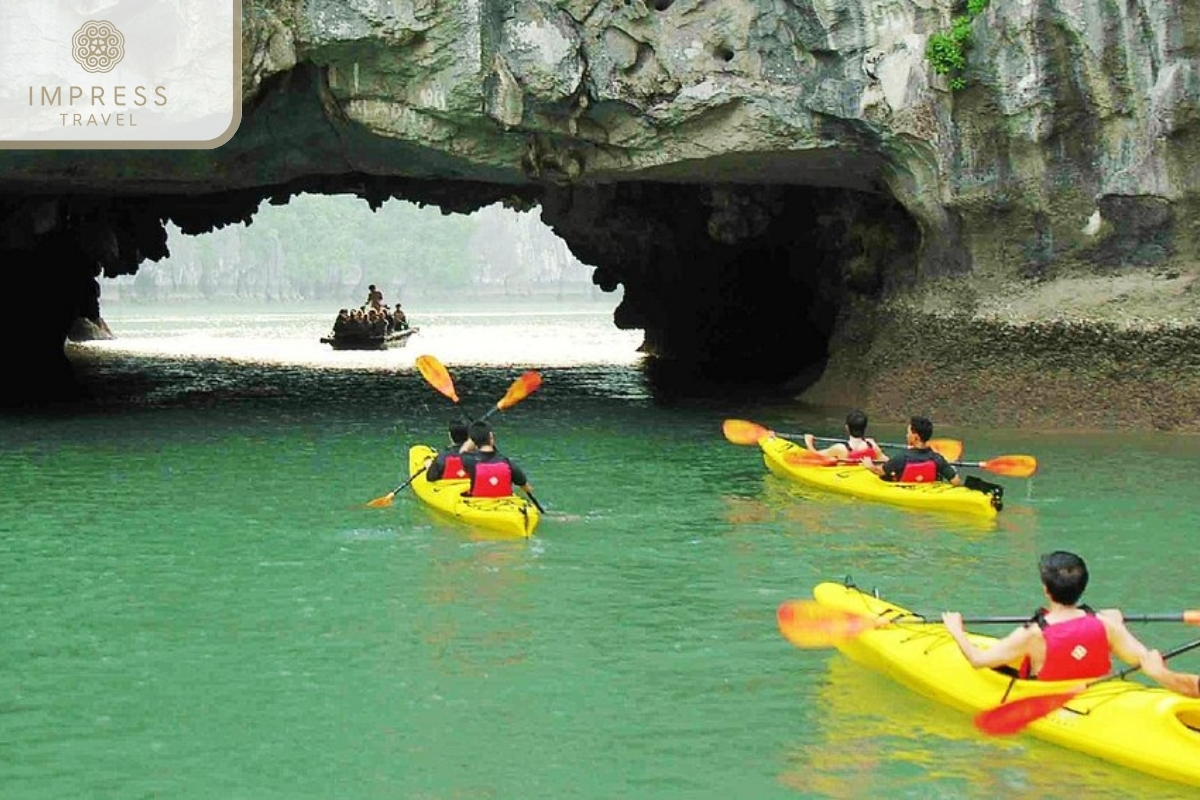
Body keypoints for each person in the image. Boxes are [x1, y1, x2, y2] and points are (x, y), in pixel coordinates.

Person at [941, 551, 1150, 680]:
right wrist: (1119, 626)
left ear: (1046, 590)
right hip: (1094, 690)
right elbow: (1142, 659)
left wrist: (957, 631)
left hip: (1049, 698)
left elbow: (978, 660)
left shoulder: (1032, 634)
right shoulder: (1106, 624)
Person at [861, 415, 961, 485]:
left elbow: (880, 471)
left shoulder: (902, 457)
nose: (907, 435)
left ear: (916, 437)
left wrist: (870, 466)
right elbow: (956, 481)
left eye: (909, 433)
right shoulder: (937, 458)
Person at [460, 419, 534, 499]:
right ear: (491, 436)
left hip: (480, 505)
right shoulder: (507, 462)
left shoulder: (469, 460)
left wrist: (472, 439)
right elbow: (527, 488)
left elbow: (463, 450)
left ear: (473, 441)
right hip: (507, 505)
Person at [803, 409, 887, 462]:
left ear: (847, 428)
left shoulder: (840, 448)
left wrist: (809, 442)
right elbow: (885, 460)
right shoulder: (872, 445)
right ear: (865, 427)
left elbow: (815, 457)